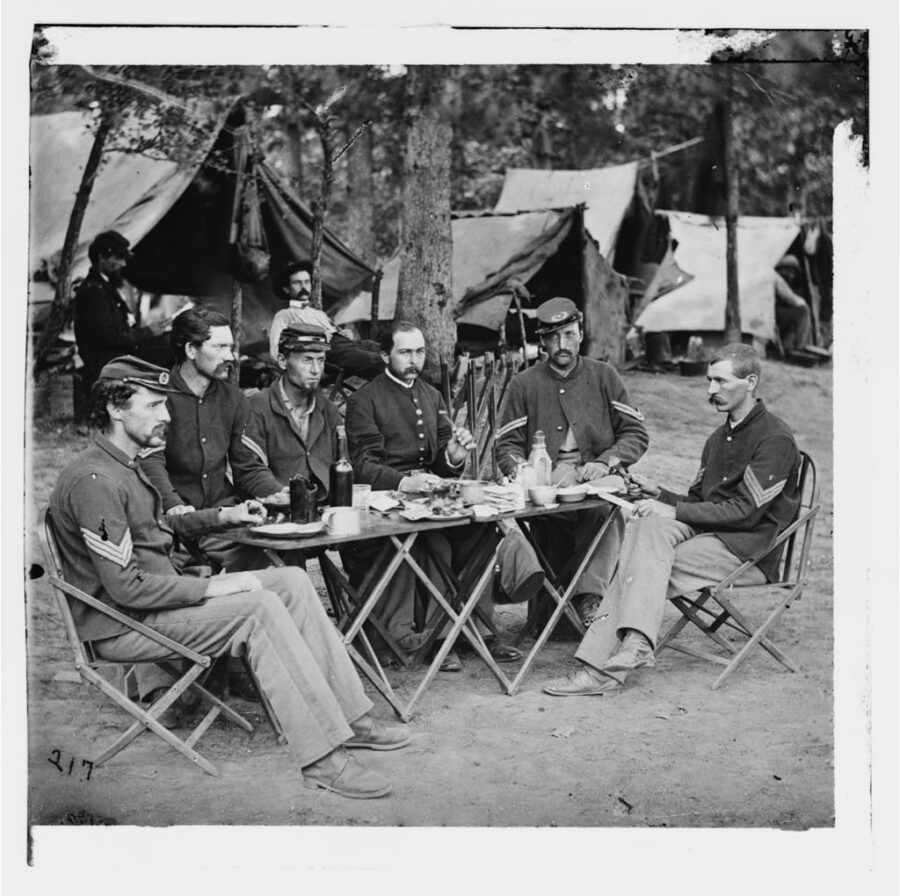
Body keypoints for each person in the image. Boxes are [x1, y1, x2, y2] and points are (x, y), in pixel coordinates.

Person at [50, 356, 410, 798]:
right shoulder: (94, 481)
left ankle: (351, 718)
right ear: (115, 409)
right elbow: (125, 586)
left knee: (292, 583)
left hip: (159, 604)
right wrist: (213, 585)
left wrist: (222, 517)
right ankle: (322, 759)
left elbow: (160, 531)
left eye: (167, 404)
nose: (167, 416)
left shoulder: (126, 464)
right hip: (127, 621)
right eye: (153, 406)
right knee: (256, 609)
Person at [543, 342, 801, 697]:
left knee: (640, 562)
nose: (711, 390)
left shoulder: (774, 438)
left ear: (751, 382)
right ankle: (631, 646)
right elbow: (700, 502)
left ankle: (602, 663)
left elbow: (745, 512)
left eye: (722, 382)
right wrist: (659, 494)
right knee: (645, 531)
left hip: (749, 548)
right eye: (709, 381)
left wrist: (674, 511)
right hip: (711, 536)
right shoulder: (718, 438)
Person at [344, 321, 532, 669]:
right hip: (387, 505)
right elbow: (364, 466)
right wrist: (405, 482)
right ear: (386, 354)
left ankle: (477, 628)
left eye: (419, 352)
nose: (413, 360)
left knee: (481, 532)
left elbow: (443, 465)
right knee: (437, 541)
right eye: (404, 352)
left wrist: (454, 456)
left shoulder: (431, 395)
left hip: (431, 499)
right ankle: (439, 637)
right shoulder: (364, 400)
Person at [496, 296, 649, 630]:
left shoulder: (604, 376)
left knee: (608, 510)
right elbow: (505, 445)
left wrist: (608, 461)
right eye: (553, 337)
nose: (562, 344)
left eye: (568, 334)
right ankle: (556, 605)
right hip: (548, 487)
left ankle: (590, 598)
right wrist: (523, 472)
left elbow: (636, 433)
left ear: (581, 333)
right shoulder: (525, 383)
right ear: (543, 341)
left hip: (596, 481)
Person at [140, 306, 285, 573]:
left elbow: (248, 467)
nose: (230, 356)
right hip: (174, 523)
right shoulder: (156, 397)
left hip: (225, 518)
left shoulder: (234, 399)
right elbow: (151, 462)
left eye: (230, 347)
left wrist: (278, 494)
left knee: (284, 550)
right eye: (219, 347)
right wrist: (175, 506)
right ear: (190, 350)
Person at [73, 231, 173, 399]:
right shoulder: (93, 291)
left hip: (117, 354)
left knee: (171, 341)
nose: (123, 264)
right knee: (172, 352)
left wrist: (152, 331)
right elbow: (110, 337)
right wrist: (148, 332)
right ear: (102, 258)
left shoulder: (103, 286)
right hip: (108, 361)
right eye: (118, 258)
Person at [245, 324, 341, 497]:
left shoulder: (329, 410)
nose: (316, 370)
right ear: (282, 361)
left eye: (320, 360)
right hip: (276, 510)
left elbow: (342, 464)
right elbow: (249, 469)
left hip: (324, 510)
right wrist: (282, 494)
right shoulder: (257, 407)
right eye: (307, 360)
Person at [269, 260, 384, 379]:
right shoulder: (285, 315)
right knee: (378, 360)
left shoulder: (319, 313)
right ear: (287, 289)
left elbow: (336, 332)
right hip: (326, 354)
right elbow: (275, 351)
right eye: (297, 283)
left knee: (383, 349)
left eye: (307, 282)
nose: (304, 287)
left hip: (347, 347)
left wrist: (345, 334)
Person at [774, 255, 812, 352]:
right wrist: (803, 303)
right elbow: (792, 300)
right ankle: (799, 348)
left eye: (793, 273)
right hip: (774, 315)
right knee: (803, 311)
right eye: (789, 271)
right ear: (783, 269)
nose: (791, 276)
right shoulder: (777, 278)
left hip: (774, 315)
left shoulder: (777, 278)